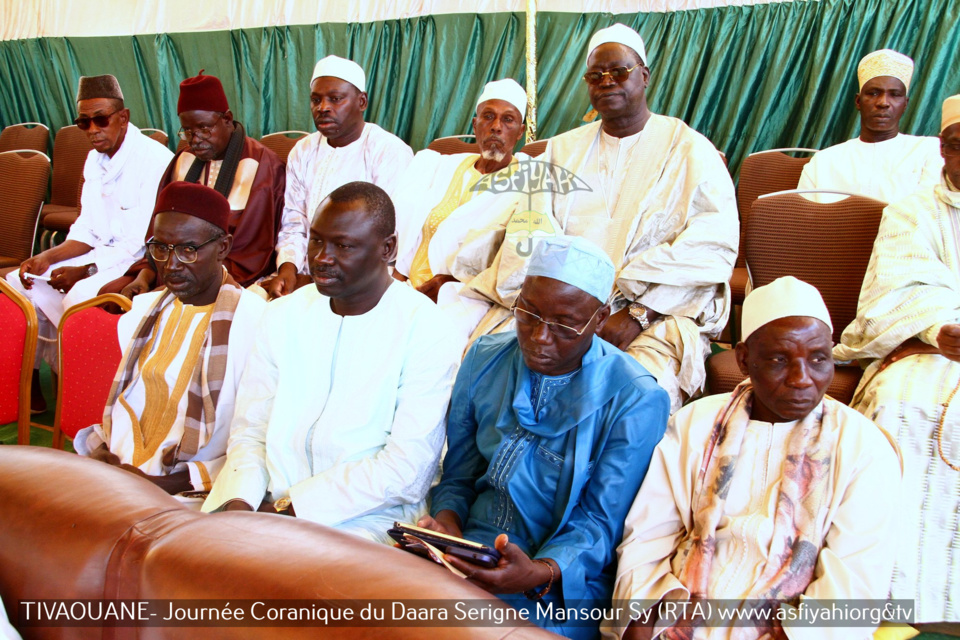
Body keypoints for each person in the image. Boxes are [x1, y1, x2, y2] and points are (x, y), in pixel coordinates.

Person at [452, 24, 738, 412]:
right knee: (487, 380)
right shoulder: (561, 150)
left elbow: (711, 244)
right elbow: (531, 229)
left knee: (626, 405)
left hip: (652, 314)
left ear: (644, 75)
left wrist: (637, 314)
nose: (607, 82)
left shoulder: (690, 150)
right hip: (554, 310)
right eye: (595, 75)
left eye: (619, 72)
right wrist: (560, 313)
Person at [611, 277, 901, 640]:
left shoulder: (862, 446)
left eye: (818, 360)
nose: (801, 379)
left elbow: (853, 581)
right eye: (780, 360)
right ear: (745, 360)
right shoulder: (695, 424)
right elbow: (649, 536)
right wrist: (640, 622)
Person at [419, 236, 670, 640]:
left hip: (558, 582)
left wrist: (538, 572)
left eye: (565, 324)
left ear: (600, 318)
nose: (539, 337)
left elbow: (599, 524)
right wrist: (447, 525)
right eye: (528, 314)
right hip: (467, 551)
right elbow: (459, 474)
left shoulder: (635, 398)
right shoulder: (486, 356)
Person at [203, 182, 460, 543]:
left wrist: (292, 511)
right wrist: (240, 503)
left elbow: (406, 470)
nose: (321, 257)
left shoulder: (428, 329)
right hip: (265, 504)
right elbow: (251, 429)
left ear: (388, 249)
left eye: (343, 245)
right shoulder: (283, 315)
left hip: (367, 521)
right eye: (316, 240)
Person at [832, 95, 960, 624]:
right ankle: (892, 594)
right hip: (928, 347)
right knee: (902, 409)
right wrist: (939, 327)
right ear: (942, 149)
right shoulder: (911, 210)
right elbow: (892, 290)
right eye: (958, 145)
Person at [72, 182, 266, 498]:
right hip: (119, 479)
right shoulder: (144, 312)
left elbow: (257, 443)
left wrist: (160, 487)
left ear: (223, 247)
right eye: (160, 248)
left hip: (196, 494)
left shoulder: (256, 322)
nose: (171, 265)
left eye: (188, 250)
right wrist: (105, 456)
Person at [6, 74, 172, 411]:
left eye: (100, 119)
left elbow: (140, 242)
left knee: (79, 293)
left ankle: (83, 390)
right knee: (19, 283)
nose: (92, 129)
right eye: (84, 122)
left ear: (122, 118)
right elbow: (86, 229)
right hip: (99, 254)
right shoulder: (94, 158)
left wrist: (84, 271)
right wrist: (48, 256)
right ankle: (33, 381)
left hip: (137, 261)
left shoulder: (154, 160)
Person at [102, 71, 286, 296]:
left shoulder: (263, 166)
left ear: (227, 119)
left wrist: (170, 289)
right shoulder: (183, 159)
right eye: (187, 131)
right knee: (110, 295)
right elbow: (159, 235)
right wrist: (144, 277)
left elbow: (250, 255)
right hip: (171, 269)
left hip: (224, 279)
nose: (195, 139)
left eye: (204, 128)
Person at [259, 55, 414, 299]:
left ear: (362, 101)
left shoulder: (389, 151)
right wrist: (287, 269)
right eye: (316, 99)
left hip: (364, 279)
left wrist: (316, 280)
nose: (323, 107)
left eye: (335, 99)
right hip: (305, 273)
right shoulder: (303, 150)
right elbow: (294, 222)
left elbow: (388, 235)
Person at [391, 78, 531, 336]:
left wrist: (452, 284)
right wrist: (396, 282)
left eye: (508, 120)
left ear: (520, 131)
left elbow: (519, 263)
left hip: (469, 300)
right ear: (475, 124)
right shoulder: (437, 166)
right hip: (406, 287)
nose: (496, 127)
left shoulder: (528, 185)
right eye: (488, 117)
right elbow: (403, 230)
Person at [797, 49, 942, 204]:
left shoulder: (928, 151)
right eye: (873, 93)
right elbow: (803, 220)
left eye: (894, 95)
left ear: (905, 104)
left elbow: (932, 215)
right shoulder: (824, 161)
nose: (883, 103)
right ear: (858, 101)